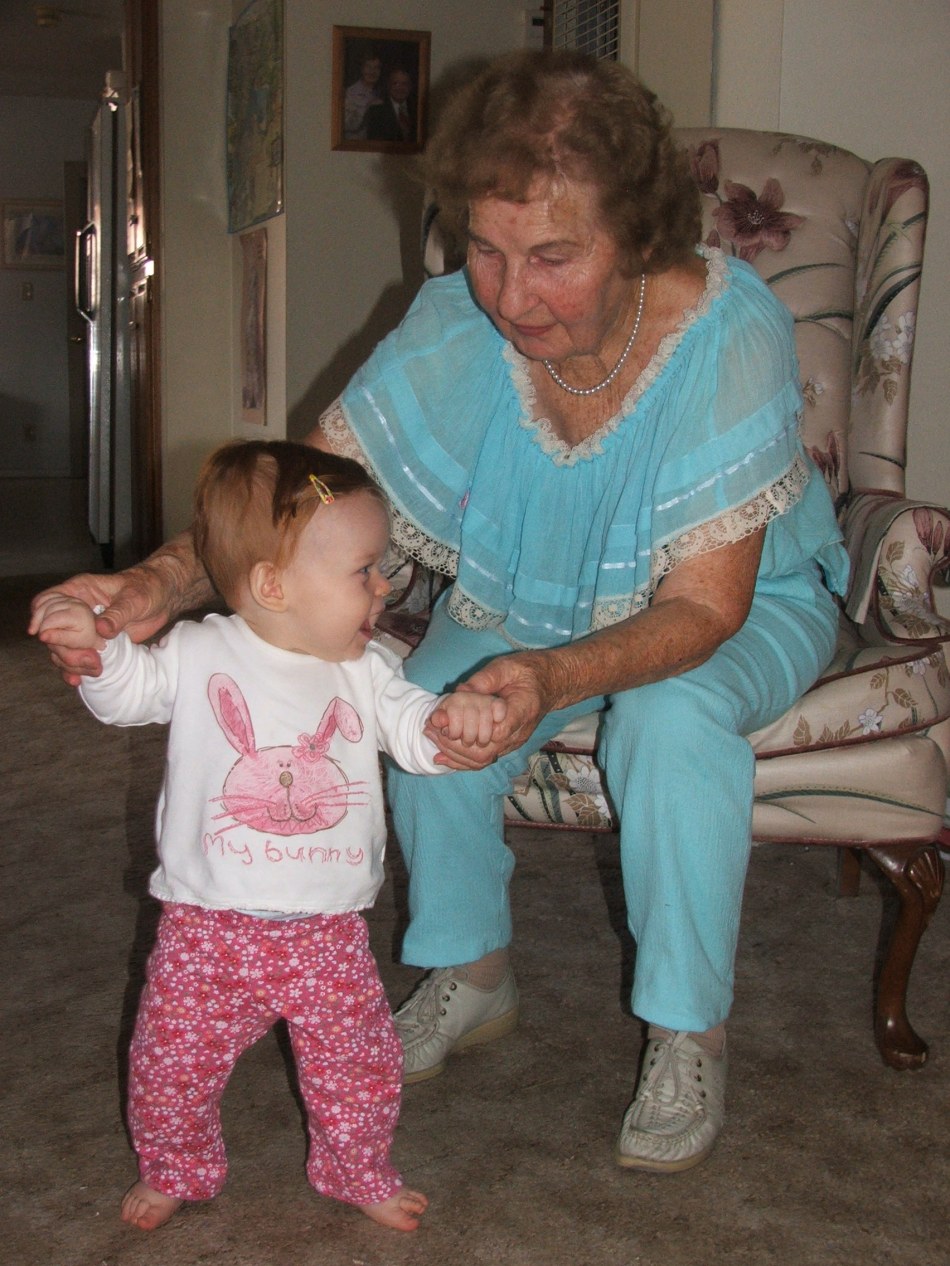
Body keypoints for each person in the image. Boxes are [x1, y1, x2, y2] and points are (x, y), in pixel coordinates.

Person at [31, 49, 850, 1176]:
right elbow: (288, 509)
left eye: (553, 255)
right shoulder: (454, 325)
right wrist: (150, 590)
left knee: (667, 722)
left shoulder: (727, 330)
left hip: (733, 607)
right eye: (485, 247)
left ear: (641, 236)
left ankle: (684, 1028)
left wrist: (554, 680)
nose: (511, 296)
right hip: (523, 588)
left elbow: (704, 606)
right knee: (417, 701)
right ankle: (471, 970)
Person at [31, 441, 506, 1233]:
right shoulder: (199, 650)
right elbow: (126, 694)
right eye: (363, 570)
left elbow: (418, 735)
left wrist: (456, 722)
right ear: (273, 585)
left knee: (358, 1069)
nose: (383, 585)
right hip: (204, 930)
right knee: (168, 1069)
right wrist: (98, 648)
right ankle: (176, 1164)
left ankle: (357, 1168)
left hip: (328, 935)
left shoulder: (369, 668)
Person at [364, 68, 415, 143]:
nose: (400, 88)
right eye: (395, 83)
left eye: (404, 84)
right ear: (388, 86)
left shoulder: (418, 110)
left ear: (410, 87)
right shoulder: (376, 112)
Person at [342, 52, 383, 140]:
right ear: (361, 69)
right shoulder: (350, 93)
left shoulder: (382, 93)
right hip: (355, 148)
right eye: (368, 67)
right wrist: (367, 107)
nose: (372, 71)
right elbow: (348, 125)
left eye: (376, 68)